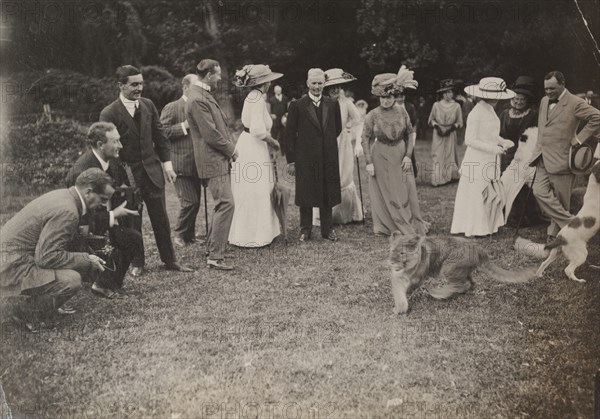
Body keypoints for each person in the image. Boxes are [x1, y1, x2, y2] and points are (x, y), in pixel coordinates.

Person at [100, 65, 192, 274]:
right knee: (132, 220)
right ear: (120, 85)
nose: (139, 88)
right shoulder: (109, 112)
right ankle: (137, 262)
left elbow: (160, 137)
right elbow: (107, 149)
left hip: (152, 173)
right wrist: (116, 178)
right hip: (126, 177)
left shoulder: (148, 106)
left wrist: (167, 166)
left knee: (161, 218)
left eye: (141, 83)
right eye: (133, 84)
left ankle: (170, 261)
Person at [1, 169, 112, 331]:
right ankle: (26, 314)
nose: (103, 205)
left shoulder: (63, 196)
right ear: (88, 192)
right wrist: (86, 259)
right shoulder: (68, 211)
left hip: (11, 256)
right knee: (71, 280)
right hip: (10, 265)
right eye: (102, 199)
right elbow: (46, 257)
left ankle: (42, 307)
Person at [65, 122, 144, 298]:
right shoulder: (81, 170)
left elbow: (121, 188)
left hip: (104, 219)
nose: (120, 146)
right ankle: (100, 282)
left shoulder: (113, 162)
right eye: (115, 142)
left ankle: (107, 283)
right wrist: (112, 216)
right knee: (120, 241)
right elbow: (79, 213)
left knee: (134, 239)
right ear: (101, 145)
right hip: (80, 228)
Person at [529, 71, 600, 241]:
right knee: (538, 191)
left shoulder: (575, 102)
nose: (548, 92)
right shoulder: (544, 100)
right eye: (546, 89)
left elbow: (597, 117)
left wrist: (579, 138)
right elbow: (542, 128)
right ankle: (572, 224)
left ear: (562, 84)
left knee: (561, 200)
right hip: (541, 157)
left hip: (563, 159)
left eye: (552, 88)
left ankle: (553, 235)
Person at [361, 67, 429, 236]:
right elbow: (365, 138)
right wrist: (368, 162)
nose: (385, 101)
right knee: (385, 189)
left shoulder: (402, 111)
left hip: (400, 154)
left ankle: (407, 221)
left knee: (404, 188)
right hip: (380, 154)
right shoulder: (372, 115)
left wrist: (408, 156)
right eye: (382, 97)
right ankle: (387, 225)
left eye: (389, 97)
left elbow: (410, 133)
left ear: (395, 96)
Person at [186, 59, 238, 270]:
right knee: (226, 204)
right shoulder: (198, 98)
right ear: (208, 75)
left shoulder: (203, 95)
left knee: (222, 204)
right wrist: (231, 149)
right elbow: (210, 134)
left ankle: (213, 248)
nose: (219, 78)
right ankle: (215, 256)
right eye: (217, 75)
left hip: (216, 158)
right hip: (212, 160)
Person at [450, 77, 516, 237]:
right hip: (477, 159)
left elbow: (490, 134)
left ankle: (488, 226)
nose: (497, 98)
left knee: (489, 191)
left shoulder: (490, 109)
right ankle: (474, 227)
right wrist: (493, 148)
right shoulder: (476, 112)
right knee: (477, 193)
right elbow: (470, 140)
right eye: (494, 95)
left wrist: (502, 141)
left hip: (489, 158)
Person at [284, 68, 343, 242]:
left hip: (328, 157)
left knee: (327, 193)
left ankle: (327, 230)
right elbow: (289, 134)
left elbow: (337, 128)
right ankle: (305, 230)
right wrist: (292, 160)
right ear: (308, 83)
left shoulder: (332, 104)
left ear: (324, 84)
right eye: (314, 83)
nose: (317, 87)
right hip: (305, 158)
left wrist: (326, 144)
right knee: (306, 194)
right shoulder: (297, 105)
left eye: (320, 83)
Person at [229, 64, 283, 247]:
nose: (270, 83)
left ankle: (249, 232)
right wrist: (273, 142)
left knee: (251, 187)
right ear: (264, 83)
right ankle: (254, 234)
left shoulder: (253, 96)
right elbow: (258, 130)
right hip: (253, 145)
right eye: (268, 81)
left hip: (248, 144)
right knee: (256, 187)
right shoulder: (258, 99)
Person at [160, 74, 205, 247]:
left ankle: (190, 235)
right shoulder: (172, 107)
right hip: (179, 162)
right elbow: (162, 133)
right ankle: (178, 234)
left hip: (197, 163)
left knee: (196, 202)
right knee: (189, 201)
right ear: (185, 87)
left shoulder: (200, 106)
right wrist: (183, 126)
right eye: (195, 86)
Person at [321, 68, 363, 224]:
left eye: (338, 86)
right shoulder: (322, 103)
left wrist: (358, 143)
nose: (335, 90)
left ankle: (346, 213)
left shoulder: (346, 103)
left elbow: (359, 121)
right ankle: (327, 214)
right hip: (325, 143)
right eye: (332, 87)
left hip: (343, 144)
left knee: (344, 177)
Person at [498, 80, 542, 226]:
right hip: (506, 153)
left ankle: (526, 216)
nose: (517, 102)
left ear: (527, 101)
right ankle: (508, 216)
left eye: (521, 100)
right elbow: (498, 133)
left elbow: (534, 135)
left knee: (523, 185)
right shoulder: (504, 113)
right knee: (505, 182)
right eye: (515, 99)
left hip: (524, 153)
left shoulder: (532, 115)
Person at [428, 79, 463, 186]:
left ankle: (450, 177)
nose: (449, 94)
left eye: (451, 92)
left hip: (450, 132)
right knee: (438, 154)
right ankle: (438, 179)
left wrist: (451, 128)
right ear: (442, 94)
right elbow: (431, 119)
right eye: (447, 92)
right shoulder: (436, 105)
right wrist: (437, 127)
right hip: (438, 132)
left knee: (450, 154)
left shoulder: (456, 106)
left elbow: (460, 122)